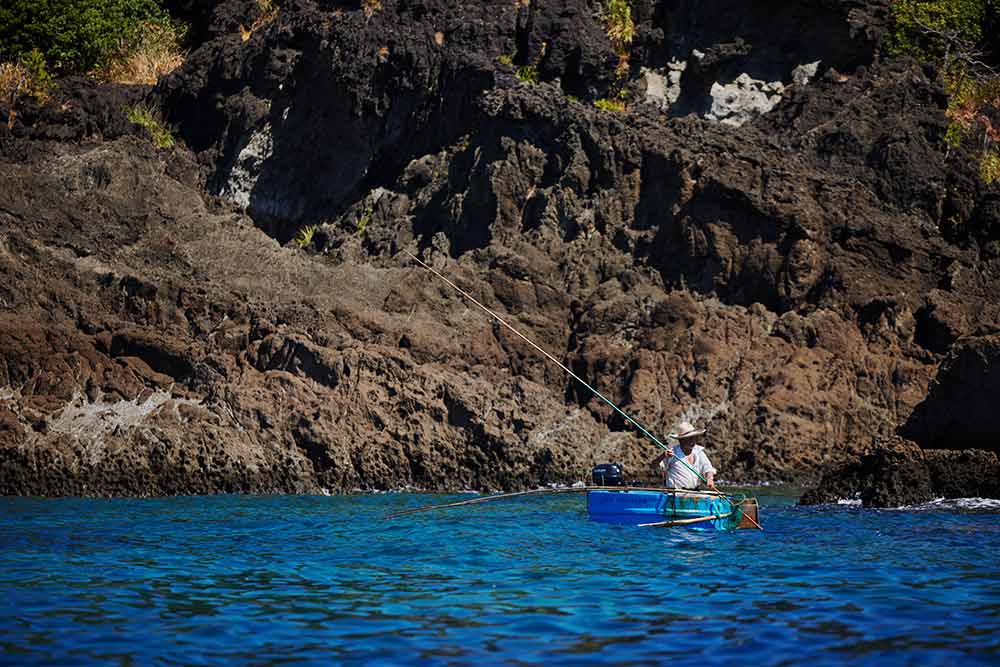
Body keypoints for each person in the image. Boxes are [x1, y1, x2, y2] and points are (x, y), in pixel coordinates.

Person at [649, 421, 718, 491]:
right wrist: (663, 456)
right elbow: (653, 466)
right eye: (689, 438)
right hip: (675, 492)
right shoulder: (672, 452)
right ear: (681, 440)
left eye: (694, 438)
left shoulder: (699, 451)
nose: (692, 441)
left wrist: (709, 479)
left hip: (695, 492)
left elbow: (708, 468)